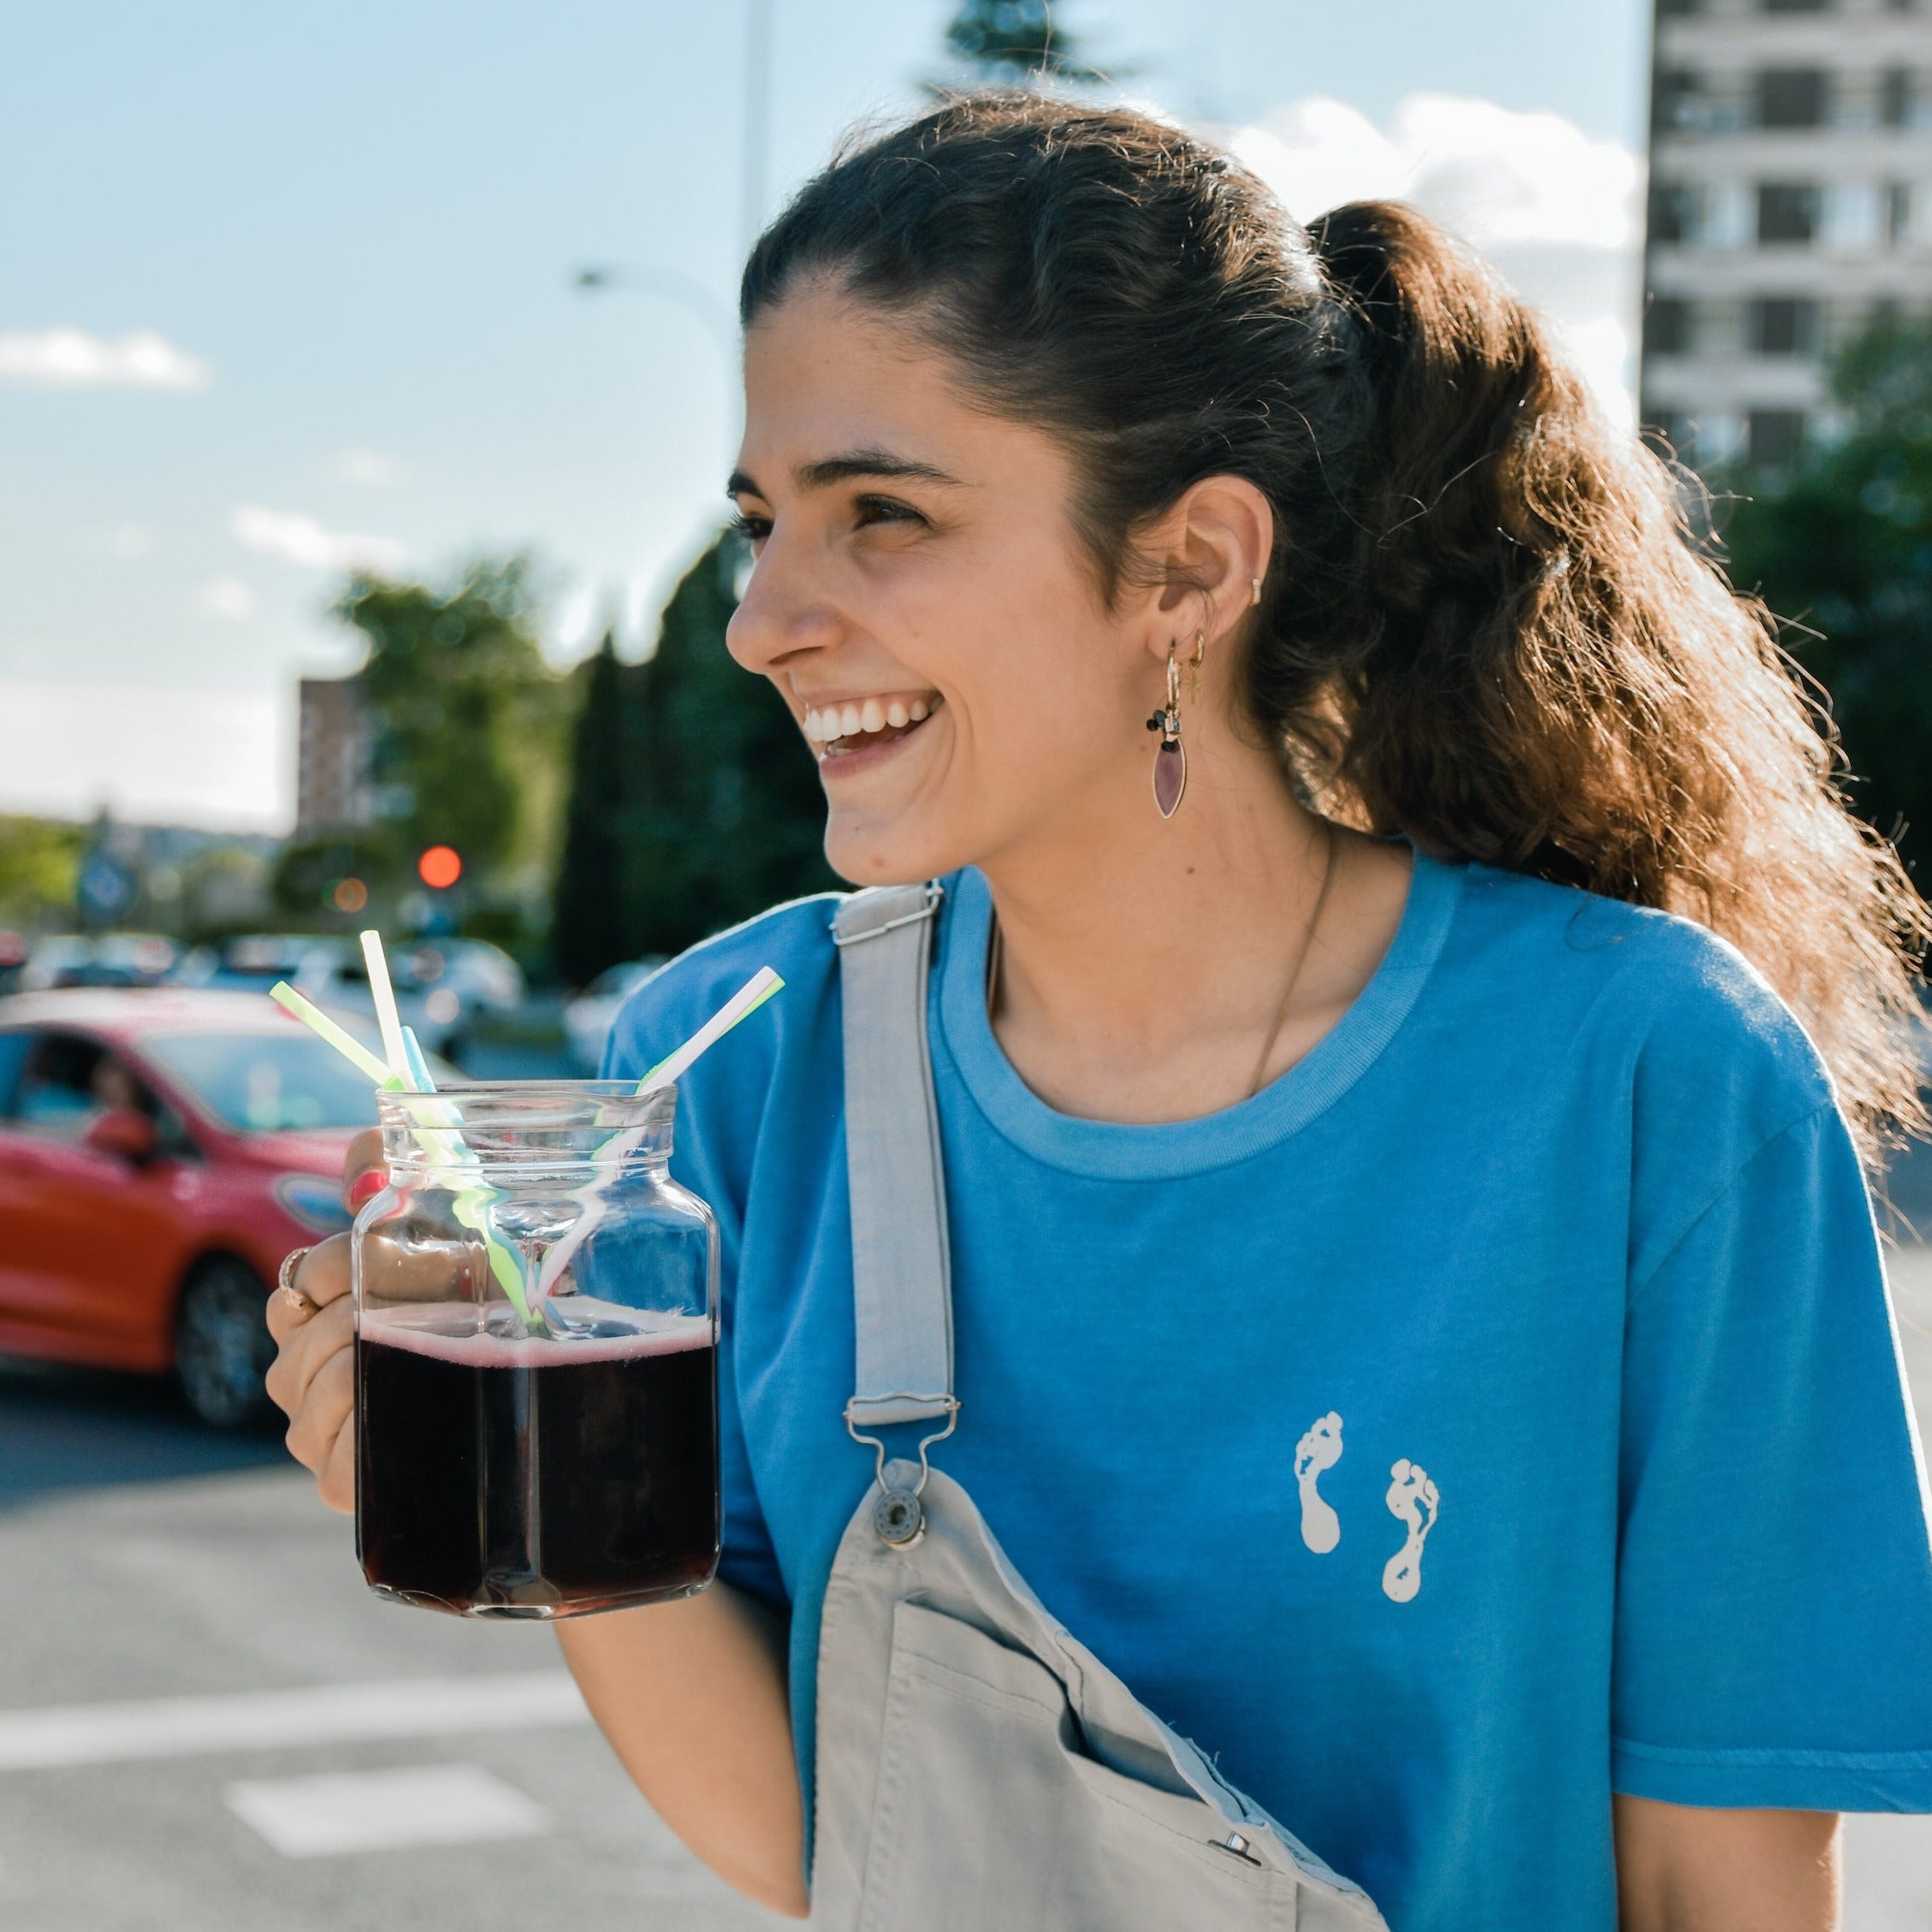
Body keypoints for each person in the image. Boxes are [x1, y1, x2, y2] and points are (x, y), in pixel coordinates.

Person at [268, 97, 1932, 1931]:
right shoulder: (731, 1064)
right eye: (759, 523)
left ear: (1190, 570)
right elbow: (839, 1838)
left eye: (878, 514)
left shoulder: (1646, 1079)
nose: (758, 621)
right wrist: (546, 1488)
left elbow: (1729, 1884)